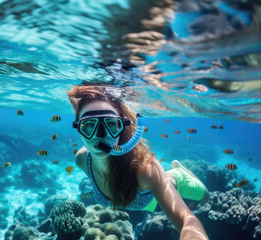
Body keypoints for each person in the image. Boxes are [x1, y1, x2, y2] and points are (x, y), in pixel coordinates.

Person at [67, 85, 209, 240]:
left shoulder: (146, 169)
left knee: (206, 198)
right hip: (144, 201)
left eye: (111, 124)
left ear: (122, 127)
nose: (100, 136)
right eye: (89, 125)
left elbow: (187, 221)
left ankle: (179, 173)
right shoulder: (82, 160)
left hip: (166, 186)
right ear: (78, 129)